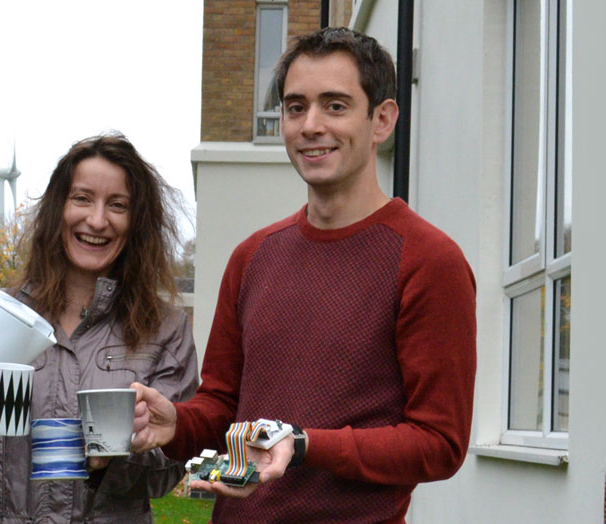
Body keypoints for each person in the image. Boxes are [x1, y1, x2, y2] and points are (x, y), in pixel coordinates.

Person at [129, 27, 477, 524]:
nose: (311, 125)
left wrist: (305, 444)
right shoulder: (252, 257)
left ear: (382, 120)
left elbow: (439, 443)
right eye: (296, 108)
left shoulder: (429, 261)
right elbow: (223, 407)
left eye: (335, 106)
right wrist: (175, 423)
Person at [0, 134, 199, 523]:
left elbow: (168, 472)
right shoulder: (1, 314)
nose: (97, 220)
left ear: (137, 221)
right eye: (82, 198)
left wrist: (115, 456)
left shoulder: (164, 328)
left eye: (118, 205)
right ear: (58, 208)